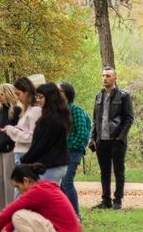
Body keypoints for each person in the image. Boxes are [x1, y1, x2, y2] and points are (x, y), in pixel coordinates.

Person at [88, 66, 134, 210]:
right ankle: (105, 200)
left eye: (108, 76)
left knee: (119, 171)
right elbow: (95, 120)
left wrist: (120, 137)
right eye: (103, 76)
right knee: (104, 172)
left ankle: (118, 200)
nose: (105, 78)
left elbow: (129, 118)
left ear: (115, 78)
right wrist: (92, 138)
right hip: (102, 140)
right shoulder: (98, 96)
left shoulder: (124, 96)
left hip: (117, 141)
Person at [0, 163, 83, 232]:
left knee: (18, 216)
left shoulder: (36, 192)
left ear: (26, 181)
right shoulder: (45, 187)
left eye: (18, 186)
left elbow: (7, 213)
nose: (18, 191)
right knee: (22, 214)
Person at [20, 83, 70, 184]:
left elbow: (40, 145)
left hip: (49, 166)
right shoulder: (60, 115)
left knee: (45, 197)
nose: (37, 100)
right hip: (58, 164)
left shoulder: (48, 119)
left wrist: (24, 159)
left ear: (50, 97)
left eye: (41, 97)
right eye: (37, 96)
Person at [59, 82, 90, 219]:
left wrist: (71, 146)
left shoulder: (75, 110)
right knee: (60, 184)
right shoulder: (59, 111)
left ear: (67, 93)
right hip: (60, 153)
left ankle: (76, 215)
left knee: (67, 182)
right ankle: (66, 214)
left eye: (59, 91)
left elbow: (82, 133)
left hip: (72, 152)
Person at [0, 84, 22, 212]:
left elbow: (18, 131)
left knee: (9, 181)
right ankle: (1, 213)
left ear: (9, 94)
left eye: (2, 94)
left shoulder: (16, 110)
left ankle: (11, 211)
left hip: (10, 149)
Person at [5, 77, 42, 166]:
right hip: (20, 152)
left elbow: (32, 137)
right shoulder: (26, 110)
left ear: (26, 92)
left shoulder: (35, 110)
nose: (17, 98)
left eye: (18, 94)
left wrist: (12, 131)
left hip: (26, 154)